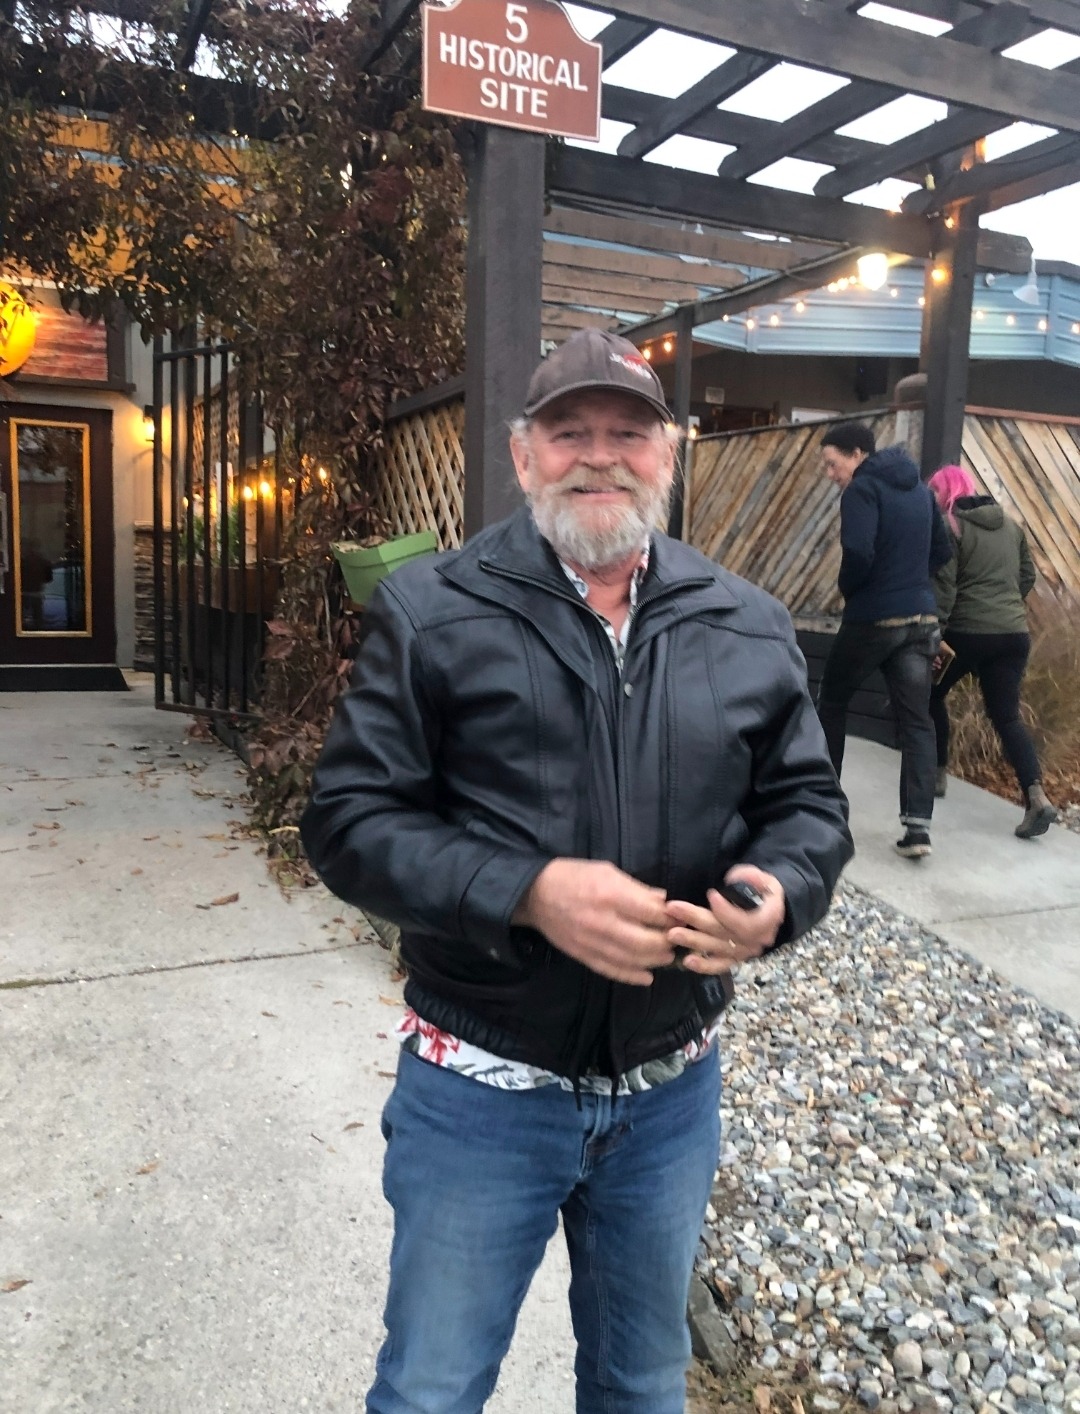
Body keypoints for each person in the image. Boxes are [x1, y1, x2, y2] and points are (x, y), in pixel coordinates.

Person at [300, 327, 853, 1414]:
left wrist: (780, 893)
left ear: (669, 455)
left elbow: (808, 806)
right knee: (431, 1389)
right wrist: (529, 893)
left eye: (628, 433)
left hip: (669, 1093)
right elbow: (348, 822)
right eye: (569, 432)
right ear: (522, 457)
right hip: (481, 1089)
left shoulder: (747, 622)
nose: (600, 456)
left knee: (641, 1385)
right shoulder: (432, 611)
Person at [815, 422, 954, 860]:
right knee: (917, 720)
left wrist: (853, 589)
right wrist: (911, 582)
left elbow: (858, 551)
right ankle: (918, 829)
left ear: (857, 454)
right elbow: (943, 551)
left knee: (832, 701)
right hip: (922, 618)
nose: (831, 474)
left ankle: (822, 807)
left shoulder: (862, 490)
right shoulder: (921, 493)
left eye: (833, 464)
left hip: (874, 617)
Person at [928, 464, 1058, 839]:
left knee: (930, 693)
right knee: (1007, 717)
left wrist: (935, 631)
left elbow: (945, 586)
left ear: (946, 492)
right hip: (1012, 634)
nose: (932, 498)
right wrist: (1004, 607)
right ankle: (1036, 796)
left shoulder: (951, 526)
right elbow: (1027, 576)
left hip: (966, 634)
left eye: (934, 491)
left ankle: (937, 774)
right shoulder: (1012, 526)